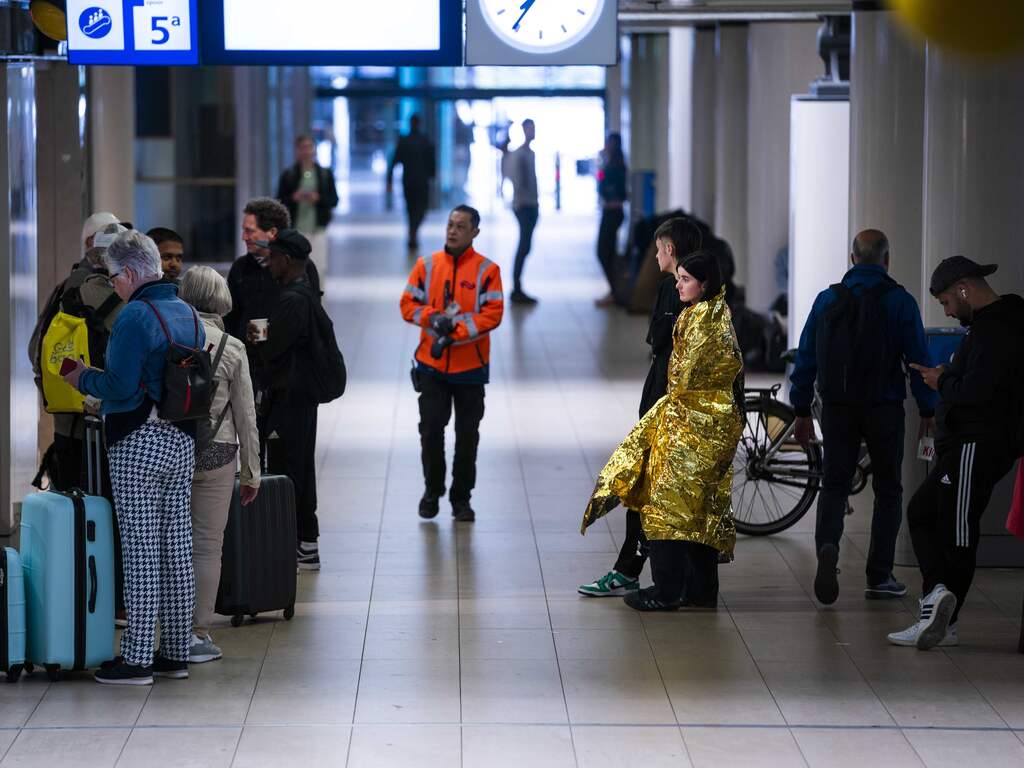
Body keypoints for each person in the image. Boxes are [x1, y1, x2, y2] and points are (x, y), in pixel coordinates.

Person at [62, 230, 203, 685]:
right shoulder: (189, 313)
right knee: (176, 546)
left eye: (115, 276)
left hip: (138, 442)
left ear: (131, 273)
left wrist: (83, 378)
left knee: (141, 549)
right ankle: (177, 651)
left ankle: (138, 658)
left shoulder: (134, 317)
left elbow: (120, 386)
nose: (115, 284)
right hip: (181, 438)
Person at [581, 249, 743, 610]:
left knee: (665, 506)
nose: (679, 284)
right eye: (679, 278)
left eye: (686, 279)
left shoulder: (700, 321)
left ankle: (666, 590)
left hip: (693, 427)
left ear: (705, 284)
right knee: (701, 510)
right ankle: (701, 591)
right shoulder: (715, 313)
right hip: (710, 425)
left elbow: (684, 380)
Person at [790, 230, 938, 605]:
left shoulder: (828, 299)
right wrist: (927, 408)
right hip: (884, 407)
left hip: (838, 407)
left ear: (852, 259)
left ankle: (827, 548)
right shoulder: (900, 301)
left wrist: (801, 408)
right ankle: (879, 575)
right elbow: (918, 360)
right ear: (886, 260)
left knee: (834, 484)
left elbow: (806, 355)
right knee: (888, 489)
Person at [887, 256, 1024, 650]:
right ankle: (937, 601)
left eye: (947, 301)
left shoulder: (994, 332)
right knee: (924, 513)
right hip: (971, 443)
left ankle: (943, 615)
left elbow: (977, 394)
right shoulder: (996, 326)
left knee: (957, 529)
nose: (947, 310)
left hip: (975, 444)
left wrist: (942, 379)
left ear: (964, 289)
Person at [579, 217, 701, 597]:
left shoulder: (672, 291)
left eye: (659, 247)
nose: (655, 254)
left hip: (665, 404)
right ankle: (680, 581)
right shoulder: (709, 295)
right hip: (678, 404)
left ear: (672, 251)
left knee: (645, 489)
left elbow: (661, 341)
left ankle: (633, 572)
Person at [400, 205, 504, 522]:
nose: (453, 231)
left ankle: (462, 499)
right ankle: (432, 492)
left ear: (475, 232)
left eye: (460, 226)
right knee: (431, 430)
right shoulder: (427, 265)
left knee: (467, 436)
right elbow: (407, 304)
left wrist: (455, 331)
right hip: (431, 367)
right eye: (450, 224)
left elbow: (493, 313)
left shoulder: (487, 270)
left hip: (470, 370)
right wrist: (434, 318)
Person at [178, 267, 261, 664]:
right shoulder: (232, 346)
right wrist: (252, 472)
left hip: (172, 448)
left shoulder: (171, 336)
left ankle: (165, 627)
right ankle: (198, 634)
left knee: (168, 542)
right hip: (218, 450)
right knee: (208, 545)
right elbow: (246, 414)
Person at [29, 214, 126, 491]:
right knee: (100, 505)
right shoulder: (107, 294)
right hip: (96, 423)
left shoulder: (66, 286)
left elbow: (37, 348)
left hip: (68, 419)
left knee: (75, 506)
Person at [247, 230, 323, 570]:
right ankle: (304, 543)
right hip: (300, 395)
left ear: (287, 260)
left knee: (288, 468)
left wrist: (253, 332)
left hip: (290, 398)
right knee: (299, 465)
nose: (269, 263)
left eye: (273, 257)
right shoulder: (303, 293)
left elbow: (270, 346)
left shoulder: (293, 300)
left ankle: (296, 543)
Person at [224, 197, 320, 432]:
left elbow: (308, 321)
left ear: (272, 232)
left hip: (292, 381)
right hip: (251, 374)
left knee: (291, 457)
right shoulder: (241, 269)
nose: (244, 237)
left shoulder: (302, 269)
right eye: (243, 231)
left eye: (250, 231)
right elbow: (230, 318)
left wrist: (265, 332)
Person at [276, 134, 339, 278]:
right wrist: (293, 198)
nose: (306, 151)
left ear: (314, 149)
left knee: (319, 268)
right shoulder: (289, 175)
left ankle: (317, 299)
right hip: (296, 230)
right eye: (302, 148)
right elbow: (278, 202)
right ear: (296, 151)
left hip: (319, 229)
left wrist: (318, 198)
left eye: (309, 147)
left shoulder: (325, 174)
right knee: (295, 269)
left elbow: (334, 200)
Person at [387, 115, 436, 251]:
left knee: (411, 209)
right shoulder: (424, 140)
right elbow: (432, 162)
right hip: (421, 182)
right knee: (420, 208)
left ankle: (412, 231)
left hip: (409, 181)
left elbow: (393, 162)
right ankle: (413, 231)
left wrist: (389, 181)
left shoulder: (405, 141)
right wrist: (432, 177)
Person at [504, 118, 539, 305]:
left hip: (531, 205)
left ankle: (517, 287)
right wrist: (522, 202)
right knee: (523, 246)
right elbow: (517, 180)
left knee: (526, 246)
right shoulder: (519, 155)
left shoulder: (530, 154)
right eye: (530, 129)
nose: (533, 132)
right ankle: (516, 288)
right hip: (524, 206)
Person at [595, 133, 628, 307]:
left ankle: (616, 291)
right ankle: (614, 290)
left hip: (612, 213)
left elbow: (616, 191)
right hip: (610, 212)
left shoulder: (616, 166)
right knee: (607, 252)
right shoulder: (610, 163)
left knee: (604, 252)